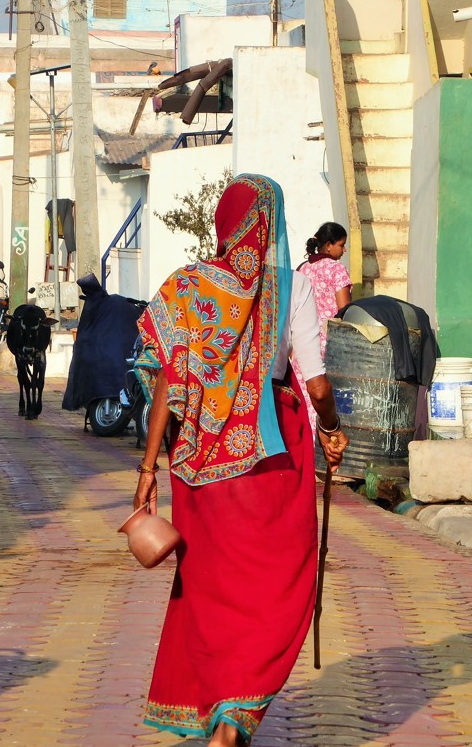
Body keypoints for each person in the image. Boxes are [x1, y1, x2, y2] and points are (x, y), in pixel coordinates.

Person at [133, 173, 349, 747]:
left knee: (209, 586)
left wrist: (147, 469)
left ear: (225, 222)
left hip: (199, 463)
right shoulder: (295, 288)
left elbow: (164, 383)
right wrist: (332, 431)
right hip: (274, 454)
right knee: (276, 585)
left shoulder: (188, 286)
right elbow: (318, 384)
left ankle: (219, 707)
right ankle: (234, 716)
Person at [294, 222, 352, 430]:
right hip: (330, 346)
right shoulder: (337, 269)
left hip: (302, 345)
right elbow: (344, 311)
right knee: (331, 400)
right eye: (341, 245)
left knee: (307, 400)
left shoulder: (302, 270)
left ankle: (308, 454)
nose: (343, 250)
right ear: (328, 245)